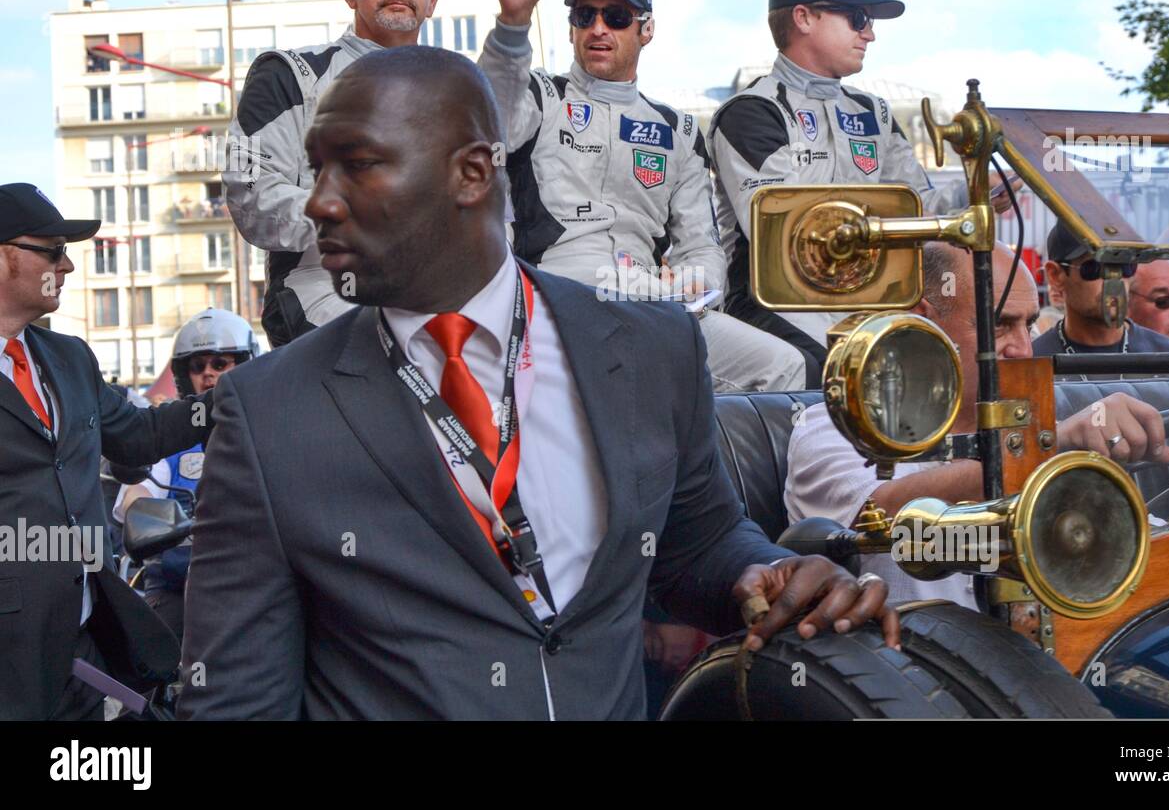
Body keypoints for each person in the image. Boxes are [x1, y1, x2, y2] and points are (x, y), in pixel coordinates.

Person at [178, 46, 901, 720]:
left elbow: (696, 543)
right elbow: (235, 700)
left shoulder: (653, 346)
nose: (319, 202)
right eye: (317, 168)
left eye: (357, 166)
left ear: (470, 174)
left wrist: (769, 573)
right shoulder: (268, 412)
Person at [477, 0, 807, 392]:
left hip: (653, 304)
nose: (598, 28)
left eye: (616, 16)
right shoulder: (540, 95)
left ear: (645, 29)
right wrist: (513, 25)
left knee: (782, 366)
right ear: (571, 26)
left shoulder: (678, 130)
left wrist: (699, 286)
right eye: (584, 15)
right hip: (556, 300)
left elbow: (702, 246)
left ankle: (704, 466)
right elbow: (491, 120)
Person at [785, 242, 1169, 608]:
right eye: (1001, 325)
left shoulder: (1036, 434)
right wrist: (1049, 446)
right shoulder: (839, 426)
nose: (1023, 349)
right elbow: (882, 519)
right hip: (908, 669)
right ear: (926, 324)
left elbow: (1143, 542)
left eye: (1029, 324)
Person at [223, 0, 532, 347]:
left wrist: (515, 23)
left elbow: (496, 170)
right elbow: (248, 192)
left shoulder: (457, 85)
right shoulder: (289, 74)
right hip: (331, 289)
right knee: (393, 358)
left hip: (447, 294)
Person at [709, 0, 1007, 373]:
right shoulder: (751, 112)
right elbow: (786, 230)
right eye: (857, 17)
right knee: (835, 372)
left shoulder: (874, 112)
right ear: (804, 17)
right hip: (773, 298)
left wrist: (977, 193)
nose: (870, 33)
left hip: (864, 297)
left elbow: (920, 205)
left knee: (945, 366)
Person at [0, 183, 214, 719]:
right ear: (3, 256)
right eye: (53, 251)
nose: (67, 266)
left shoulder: (69, 357)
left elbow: (138, 436)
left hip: (87, 642)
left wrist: (226, 401)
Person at [112, 308, 259, 644]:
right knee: (149, 648)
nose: (208, 374)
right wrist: (146, 514)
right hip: (177, 584)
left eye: (220, 364)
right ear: (183, 375)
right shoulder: (171, 440)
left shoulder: (270, 433)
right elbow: (137, 492)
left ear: (245, 365)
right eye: (198, 366)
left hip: (253, 577)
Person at [1033, 222, 1169, 362]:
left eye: (1125, 266)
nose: (1115, 279)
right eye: (1096, 268)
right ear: (1056, 275)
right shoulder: (1033, 362)